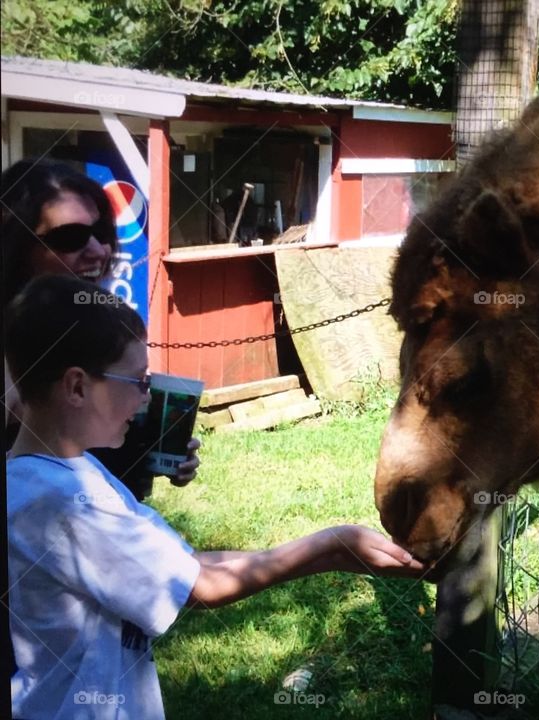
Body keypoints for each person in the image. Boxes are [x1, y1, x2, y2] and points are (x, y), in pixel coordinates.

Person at [5, 275, 426, 720]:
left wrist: (334, 554)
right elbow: (199, 587)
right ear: (76, 387)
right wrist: (333, 546)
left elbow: (185, 560)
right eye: (138, 381)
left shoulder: (59, 474)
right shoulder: (67, 502)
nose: (146, 399)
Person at [1, 158, 199, 498]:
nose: (98, 251)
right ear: (15, 245)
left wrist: (156, 449)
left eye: (102, 233)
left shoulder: (95, 324)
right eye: (70, 237)